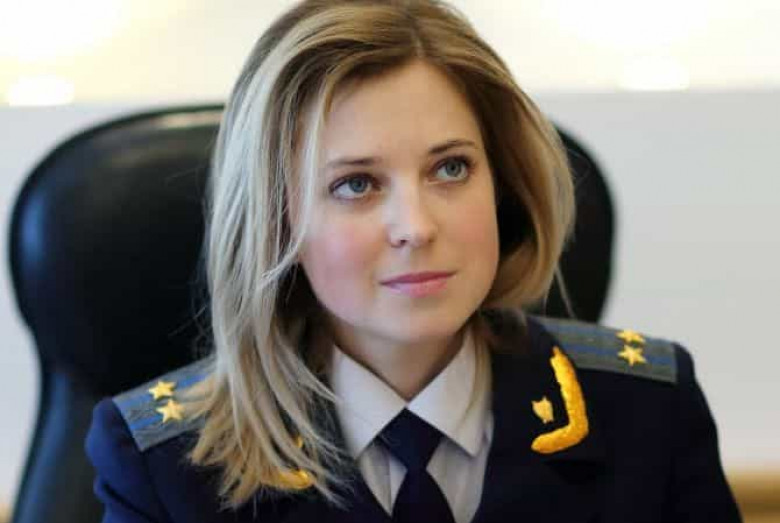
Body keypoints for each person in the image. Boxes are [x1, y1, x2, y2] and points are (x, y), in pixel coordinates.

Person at [85, 1, 742, 522]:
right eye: (356, 184)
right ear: (276, 222)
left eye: (450, 168)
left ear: (503, 185)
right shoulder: (165, 465)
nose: (417, 227)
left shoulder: (649, 410)